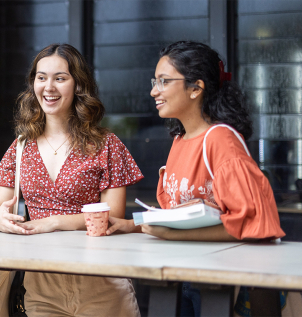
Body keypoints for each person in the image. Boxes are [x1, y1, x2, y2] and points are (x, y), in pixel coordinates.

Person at [106, 41, 285, 316]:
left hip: (223, 284)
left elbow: (254, 223)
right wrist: (131, 226)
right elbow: (180, 216)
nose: (154, 91)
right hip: (187, 276)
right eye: (155, 82)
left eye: (164, 82)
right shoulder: (180, 140)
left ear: (195, 88)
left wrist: (169, 236)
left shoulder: (221, 141)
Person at [0, 43, 144, 316]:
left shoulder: (107, 145)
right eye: (41, 77)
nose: (49, 87)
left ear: (78, 85)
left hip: (100, 279)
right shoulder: (20, 147)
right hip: (41, 282)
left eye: (60, 78)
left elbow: (113, 217)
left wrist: (54, 222)